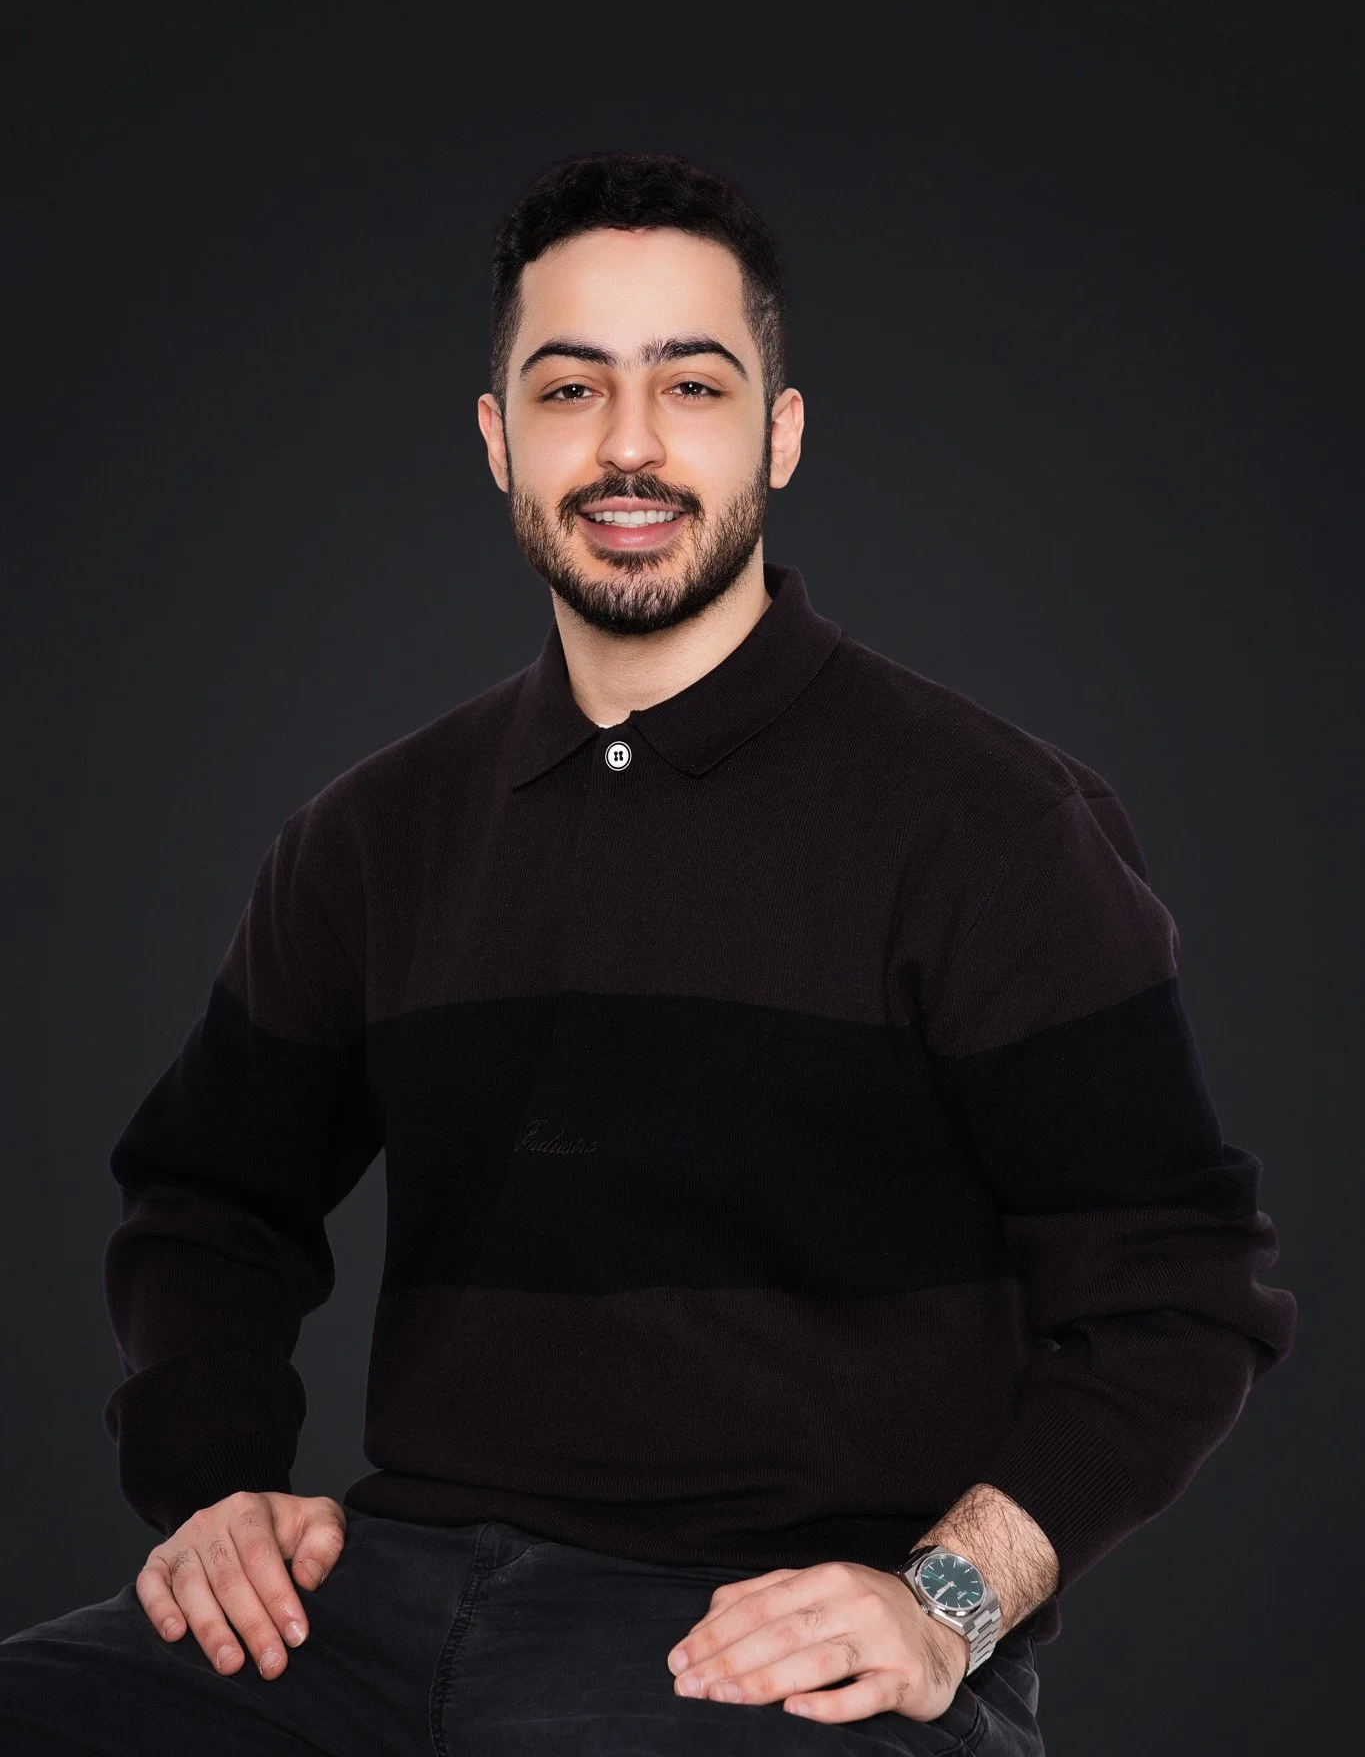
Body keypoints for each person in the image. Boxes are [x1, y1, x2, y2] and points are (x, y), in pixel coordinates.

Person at [0, 151, 1296, 1754]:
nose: (628, 446)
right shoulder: (373, 832)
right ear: (497, 445)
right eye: (568, 390)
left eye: (691, 384)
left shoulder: (989, 822)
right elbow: (210, 1200)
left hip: (772, 1645)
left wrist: (940, 1605)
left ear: (783, 432)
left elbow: (1178, 1294)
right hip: (376, 1613)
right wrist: (213, 1491)